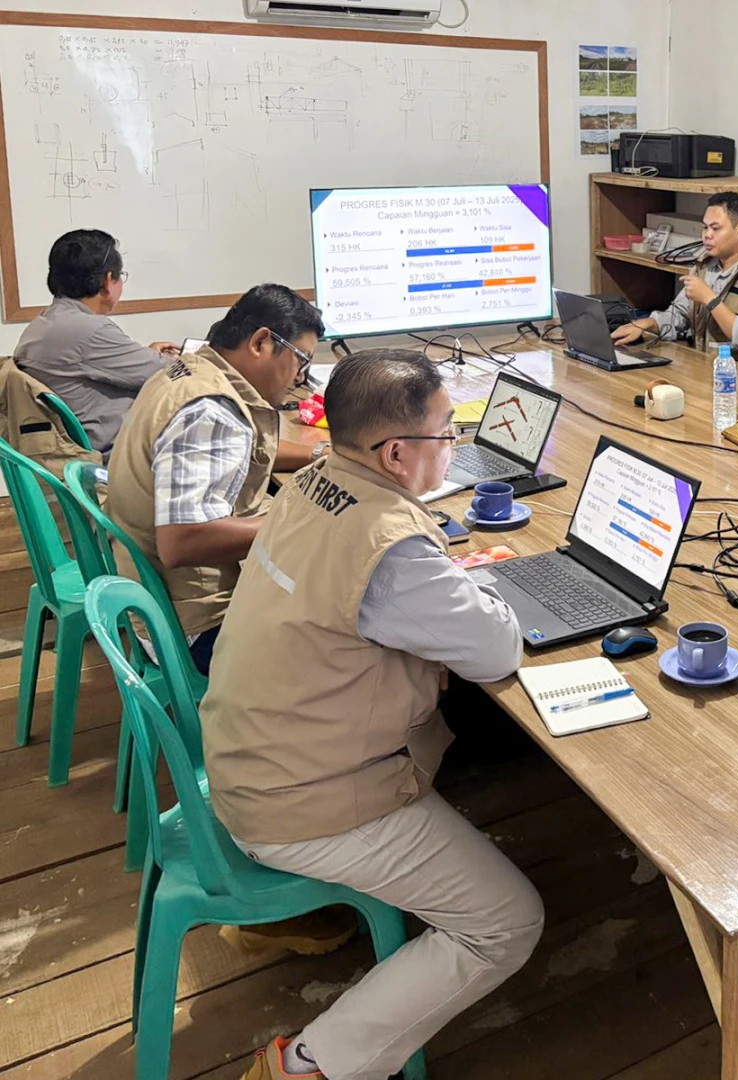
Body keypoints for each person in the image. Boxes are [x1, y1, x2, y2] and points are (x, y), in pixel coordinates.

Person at [200, 349, 540, 1080]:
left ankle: (290, 921)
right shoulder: (390, 550)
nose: (453, 445)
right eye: (447, 432)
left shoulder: (314, 480)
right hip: (300, 801)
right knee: (506, 924)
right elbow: (497, 650)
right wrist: (480, 591)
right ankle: (307, 1067)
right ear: (395, 453)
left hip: (248, 751)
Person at [104, 284, 327, 675]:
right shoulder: (209, 411)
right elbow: (182, 541)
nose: (299, 377)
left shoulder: (191, 371)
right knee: (354, 636)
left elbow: (238, 452)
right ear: (261, 342)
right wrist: (303, 521)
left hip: (155, 594)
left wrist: (319, 455)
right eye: (301, 360)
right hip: (197, 625)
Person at [13, 229, 178, 454]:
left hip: (64, 452)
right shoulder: (90, 331)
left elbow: (100, 362)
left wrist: (145, 354)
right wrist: (194, 357)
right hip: (110, 456)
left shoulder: (44, 323)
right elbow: (169, 372)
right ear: (107, 281)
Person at [610, 191, 738, 369]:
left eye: (716, 228)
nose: (707, 235)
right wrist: (646, 324)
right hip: (705, 367)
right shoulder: (705, 265)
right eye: (705, 227)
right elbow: (679, 314)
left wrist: (710, 300)